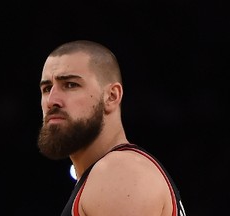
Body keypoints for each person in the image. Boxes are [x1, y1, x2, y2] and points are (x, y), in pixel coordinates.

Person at [37, 40, 186, 216]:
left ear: (112, 96)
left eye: (70, 85)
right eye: (47, 88)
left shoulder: (118, 172)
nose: (52, 100)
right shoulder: (110, 174)